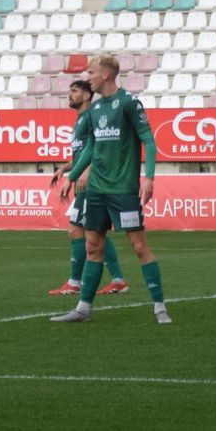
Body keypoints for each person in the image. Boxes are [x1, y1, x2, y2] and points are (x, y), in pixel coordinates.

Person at [51, 54, 169, 324]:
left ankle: (159, 306)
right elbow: (91, 146)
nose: (88, 77)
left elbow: (148, 141)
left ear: (105, 75)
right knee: (93, 247)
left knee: (139, 247)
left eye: (91, 72)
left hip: (123, 190)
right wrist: (73, 176)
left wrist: (148, 177)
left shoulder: (129, 103)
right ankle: (83, 309)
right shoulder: (94, 109)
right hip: (95, 191)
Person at [49, 79, 130, 296]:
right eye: (70, 90)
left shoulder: (92, 116)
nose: (70, 94)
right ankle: (117, 279)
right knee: (91, 232)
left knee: (77, 230)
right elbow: (82, 154)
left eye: (74, 91)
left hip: (91, 183)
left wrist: (87, 171)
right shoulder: (80, 120)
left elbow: (100, 148)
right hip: (84, 181)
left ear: (86, 95)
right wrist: (65, 169)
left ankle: (75, 282)